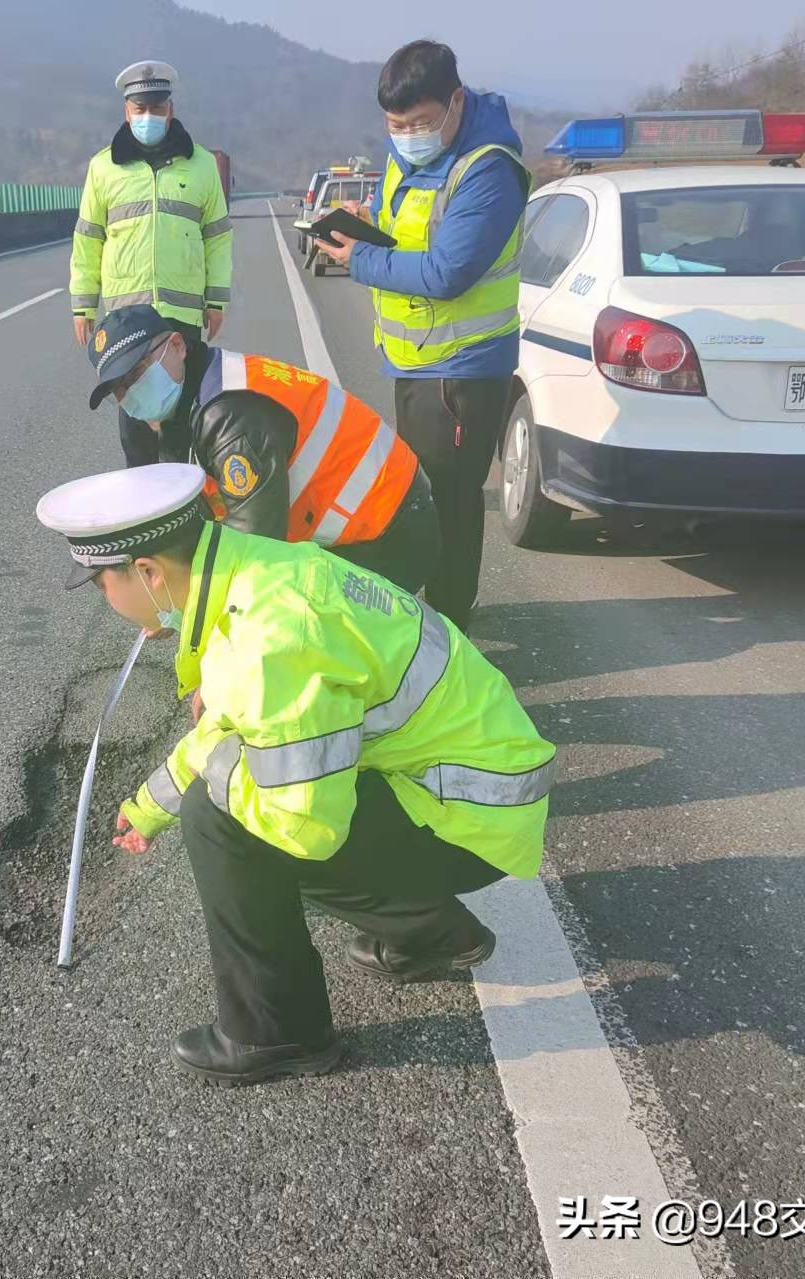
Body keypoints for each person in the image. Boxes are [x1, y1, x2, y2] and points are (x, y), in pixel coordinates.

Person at [34, 464, 555, 1085]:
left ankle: (278, 1033)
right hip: (460, 787)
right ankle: (427, 932)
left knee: (219, 822)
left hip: (470, 816)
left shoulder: (269, 636)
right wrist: (150, 805)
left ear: (148, 573)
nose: (104, 599)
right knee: (224, 793)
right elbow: (235, 719)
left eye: (101, 584)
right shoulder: (251, 571)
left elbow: (307, 829)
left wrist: (204, 790)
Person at [312, 40, 531, 632]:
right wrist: (368, 227)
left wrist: (358, 260)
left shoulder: (487, 170)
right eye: (395, 124)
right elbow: (404, 235)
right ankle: (430, 612)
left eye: (420, 122)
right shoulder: (404, 157)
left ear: (456, 101)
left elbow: (446, 273)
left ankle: (451, 622)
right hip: (414, 364)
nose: (407, 134)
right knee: (424, 493)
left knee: (453, 502)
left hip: (461, 371)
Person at [85, 304, 440, 594]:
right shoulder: (193, 394)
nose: (130, 394)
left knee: (278, 627)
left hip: (389, 534)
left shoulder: (230, 413)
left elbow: (253, 547)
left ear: (177, 345)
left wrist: (186, 602)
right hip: (365, 524)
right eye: (119, 388)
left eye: (138, 373)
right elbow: (199, 513)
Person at [70, 60, 234, 468]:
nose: (148, 116)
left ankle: (185, 515)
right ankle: (145, 513)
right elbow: (88, 239)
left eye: (156, 108)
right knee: (136, 428)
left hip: (181, 314)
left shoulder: (200, 166)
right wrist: (83, 306)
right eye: (140, 109)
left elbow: (216, 236)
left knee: (183, 422)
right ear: (126, 112)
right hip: (127, 322)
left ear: (170, 109)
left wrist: (216, 301)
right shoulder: (104, 167)